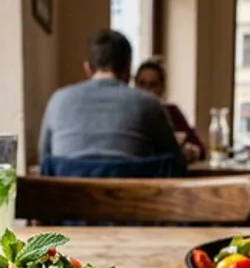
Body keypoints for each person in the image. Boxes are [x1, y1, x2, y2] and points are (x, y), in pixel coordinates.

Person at [39, 29, 183, 172]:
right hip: (132, 195)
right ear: (128, 70)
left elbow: (43, 160)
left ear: (88, 68)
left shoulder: (58, 101)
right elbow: (177, 165)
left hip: (67, 195)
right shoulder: (150, 104)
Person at [133, 58, 205, 163]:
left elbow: (199, 147)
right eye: (142, 84)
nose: (146, 89)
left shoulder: (172, 112)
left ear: (162, 88)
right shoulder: (128, 113)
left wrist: (193, 152)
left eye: (152, 85)